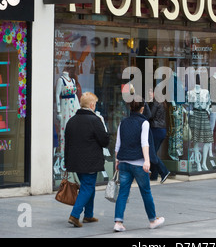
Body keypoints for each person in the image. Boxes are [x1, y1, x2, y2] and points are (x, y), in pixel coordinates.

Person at [114, 95, 165, 232]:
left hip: (124, 162)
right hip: (138, 163)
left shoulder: (123, 122)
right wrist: (147, 161)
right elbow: (145, 143)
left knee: (123, 193)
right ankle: (152, 220)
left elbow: (118, 144)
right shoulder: (144, 123)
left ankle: (118, 222)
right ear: (143, 108)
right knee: (146, 192)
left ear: (130, 107)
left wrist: (117, 161)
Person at [64, 92, 110, 227]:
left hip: (75, 162)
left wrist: (67, 163)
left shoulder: (71, 121)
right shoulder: (95, 120)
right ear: (91, 105)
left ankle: (88, 215)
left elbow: (67, 144)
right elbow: (104, 141)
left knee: (88, 187)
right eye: (94, 104)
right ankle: (75, 215)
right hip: (90, 162)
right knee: (88, 187)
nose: (95, 106)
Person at [148, 88, 170, 183]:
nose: (148, 93)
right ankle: (154, 175)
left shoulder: (155, 103)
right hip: (161, 130)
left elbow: (150, 115)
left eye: (150, 92)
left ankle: (164, 171)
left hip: (155, 130)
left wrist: (147, 105)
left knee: (151, 153)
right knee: (154, 152)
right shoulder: (161, 102)